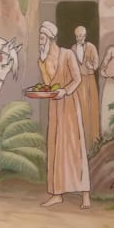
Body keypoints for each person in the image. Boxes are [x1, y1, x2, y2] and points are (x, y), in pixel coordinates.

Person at [37, 20, 91, 209]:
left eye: (42, 37)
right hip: (55, 106)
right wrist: (43, 64)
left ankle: (85, 193)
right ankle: (57, 193)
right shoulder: (42, 59)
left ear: (50, 38)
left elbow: (77, 79)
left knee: (75, 146)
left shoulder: (67, 54)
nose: (40, 40)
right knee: (56, 147)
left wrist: (65, 91)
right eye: (39, 37)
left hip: (69, 105)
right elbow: (48, 84)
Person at [71, 26, 101, 149]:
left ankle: (93, 141)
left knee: (91, 108)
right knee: (80, 109)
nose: (79, 38)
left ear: (85, 36)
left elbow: (96, 64)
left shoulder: (91, 47)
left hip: (89, 80)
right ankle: (81, 143)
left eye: (81, 36)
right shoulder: (73, 48)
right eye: (77, 36)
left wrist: (91, 66)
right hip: (78, 82)